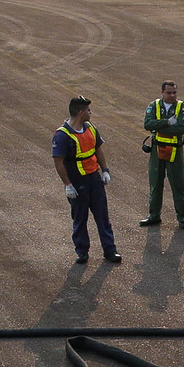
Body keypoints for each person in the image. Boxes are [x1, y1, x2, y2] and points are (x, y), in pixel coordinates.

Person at [51, 96, 120, 264]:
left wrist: (105, 170)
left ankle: (110, 250)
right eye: (88, 110)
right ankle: (82, 251)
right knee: (80, 218)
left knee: (102, 216)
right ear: (81, 113)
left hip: (94, 180)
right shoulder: (62, 135)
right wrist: (68, 185)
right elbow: (58, 162)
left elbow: (98, 149)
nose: (91, 113)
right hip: (77, 182)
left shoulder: (90, 128)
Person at [141, 79, 184, 228]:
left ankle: (182, 218)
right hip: (157, 150)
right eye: (169, 92)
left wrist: (159, 125)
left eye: (174, 92)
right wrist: (168, 123)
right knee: (155, 183)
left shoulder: (182, 107)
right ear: (162, 92)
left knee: (179, 184)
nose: (172, 95)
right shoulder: (154, 105)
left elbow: (181, 128)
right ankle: (154, 215)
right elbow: (147, 124)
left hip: (175, 149)